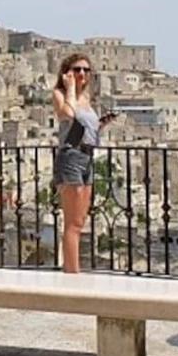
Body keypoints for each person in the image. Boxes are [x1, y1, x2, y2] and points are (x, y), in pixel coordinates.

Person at [50, 53, 115, 274]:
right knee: (72, 223)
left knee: (80, 221)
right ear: (67, 72)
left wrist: (101, 124)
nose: (81, 74)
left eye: (86, 70)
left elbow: (87, 129)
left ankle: (73, 271)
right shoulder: (60, 94)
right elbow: (66, 114)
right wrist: (69, 88)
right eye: (76, 69)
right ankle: (71, 274)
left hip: (87, 157)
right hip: (71, 157)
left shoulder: (86, 99)